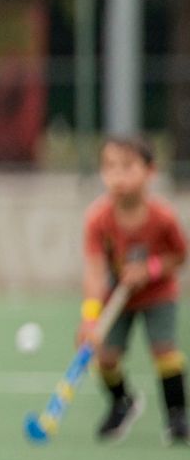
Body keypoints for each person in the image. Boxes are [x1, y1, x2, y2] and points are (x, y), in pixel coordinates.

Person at [80, 136, 188, 444]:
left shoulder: (163, 217)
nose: (117, 176)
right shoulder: (98, 219)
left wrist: (150, 270)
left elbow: (180, 256)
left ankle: (177, 416)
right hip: (117, 295)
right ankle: (121, 403)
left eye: (127, 167)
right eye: (109, 167)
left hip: (158, 293)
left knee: (164, 351)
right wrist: (90, 317)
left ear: (150, 172)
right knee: (106, 356)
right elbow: (94, 268)